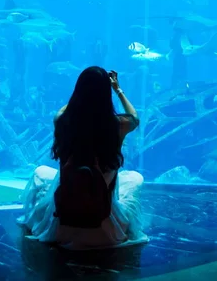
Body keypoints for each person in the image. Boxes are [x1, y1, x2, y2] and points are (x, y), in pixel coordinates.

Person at [18, 66, 149, 250]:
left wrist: (81, 93)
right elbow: (135, 117)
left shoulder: (62, 120)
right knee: (135, 178)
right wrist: (117, 89)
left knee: (40, 172)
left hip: (62, 224)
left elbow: (68, 109)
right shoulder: (118, 125)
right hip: (104, 222)